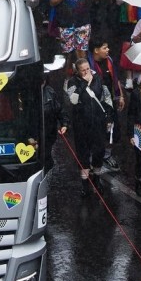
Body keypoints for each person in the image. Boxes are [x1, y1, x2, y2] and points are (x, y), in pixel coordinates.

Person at [62, 58, 113, 192]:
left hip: (98, 122)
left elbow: (106, 98)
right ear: (77, 72)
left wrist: (109, 117)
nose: (86, 72)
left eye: (87, 69)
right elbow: (73, 100)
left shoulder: (98, 79)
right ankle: (85, 184)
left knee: (99, 150)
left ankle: (96, 179)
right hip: (81, 124)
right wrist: (84, 83)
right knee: (83, 153)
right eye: (83, 70)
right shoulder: (72, 82)